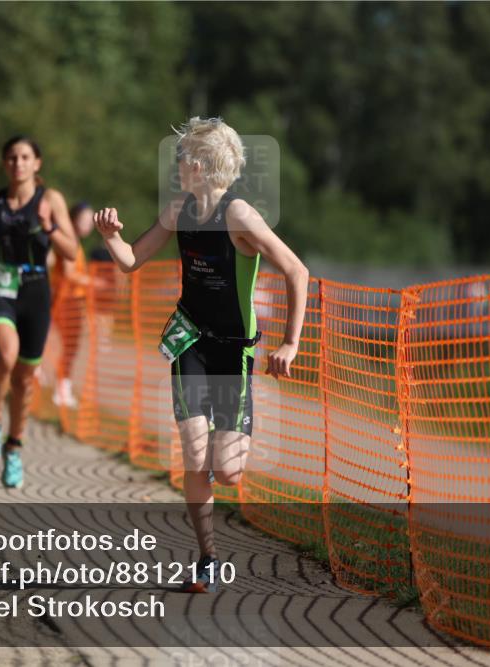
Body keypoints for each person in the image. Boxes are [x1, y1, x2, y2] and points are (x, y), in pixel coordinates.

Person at [93, 117, 309, 592]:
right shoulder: (178, 211)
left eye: (184, 157)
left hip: (234, 352)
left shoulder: (240, 217)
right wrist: (111, 236)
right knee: (193, 453)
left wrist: (290, 342)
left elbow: (297, 271)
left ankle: (219, 462)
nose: (178, 164)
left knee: (227, 472)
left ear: (206, 166)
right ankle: (208, 557)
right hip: (191, 341)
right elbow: (132, 261)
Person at [0, 135, 78, 488]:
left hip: (35, 290)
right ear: (5, 164)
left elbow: (72, 252)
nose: (18, 163)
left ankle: (14, 448)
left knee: (23, 379)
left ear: (37, 163)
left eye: (25, 157)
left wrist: (48, 227)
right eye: (12, 158)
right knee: (6, 355)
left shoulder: (50, 200)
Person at [50, 202, 94, 407]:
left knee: (71, 347)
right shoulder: (70, 243)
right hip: (66, 300)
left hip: (73, 300)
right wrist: (95, 282)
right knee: (69, 346)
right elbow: (69, 274)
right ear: (73, 219)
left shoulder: (75, 243)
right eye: (84, 219)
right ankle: (61, 389)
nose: (88, 224)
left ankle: (63, 387)